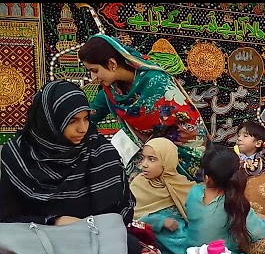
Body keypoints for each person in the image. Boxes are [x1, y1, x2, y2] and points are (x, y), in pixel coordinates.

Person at [0, 80, 141, 254]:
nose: (82, 128)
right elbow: (7, 217)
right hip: (37, 234)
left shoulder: (99, 150)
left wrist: (86, 226)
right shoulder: (18, 154)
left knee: (130, 247)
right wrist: (55, 221)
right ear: (49, 119)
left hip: (87, 237)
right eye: (72, 121)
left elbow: (119, 214)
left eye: (86, 119)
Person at [77, 34, 210, 180]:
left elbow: (186, 125)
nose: (93, 77)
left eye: (94, 70)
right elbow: (90, 116)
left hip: (186, 152)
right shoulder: (112, 90)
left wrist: (157, 153)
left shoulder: (157, 83)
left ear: (112, 64)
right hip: (150, 155)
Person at [129, 137, 195, 254]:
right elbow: (131, 220)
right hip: (156, 240)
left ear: (167, 161)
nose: (144, 164)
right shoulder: (138, 185)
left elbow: (196, 216)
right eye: (143, 158)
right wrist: (160, 221)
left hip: (182, 234)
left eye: (152, 159)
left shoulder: (181, 183)